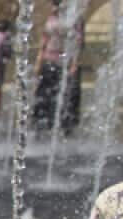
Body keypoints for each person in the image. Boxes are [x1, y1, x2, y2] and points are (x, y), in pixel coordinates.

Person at [33, 0, 84, 135]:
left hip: (65, 63)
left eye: (57, 4)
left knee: (66, 95)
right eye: (53, 4)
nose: (54, 7)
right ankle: (42, 124)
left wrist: (74, 63)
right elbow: (44, 41)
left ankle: (66, 126)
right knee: (44, 94)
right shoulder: (51, 19)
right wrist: (38, 62)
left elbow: (78, 42)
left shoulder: (73, 20)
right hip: (49, 61)